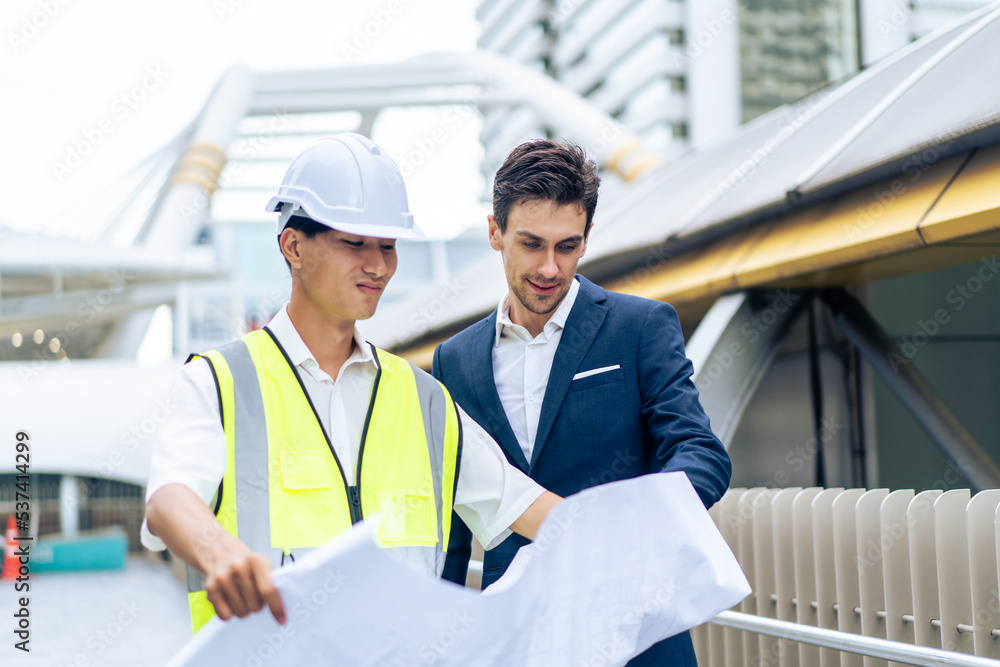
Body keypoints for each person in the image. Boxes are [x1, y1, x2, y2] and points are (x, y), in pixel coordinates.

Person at [141, 134, 560, 633]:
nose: (379, 265)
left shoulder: (425, 401)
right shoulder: (217, 383)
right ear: (293, 246)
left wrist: (645, 534)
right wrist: (220, 553)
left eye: (388, 246)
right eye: (355, 243)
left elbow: (533, 510)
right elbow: (169, 500)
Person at [432, 140, 732, 666]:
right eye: (531, 244)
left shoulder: (639, 327)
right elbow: (454, 513)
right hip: (516, 639)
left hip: (635, 631)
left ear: (587, 239)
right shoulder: (454, 360)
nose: (550, 267)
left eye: (567, 246)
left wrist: (632, 526)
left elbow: (700, 451)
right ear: (494, 232)